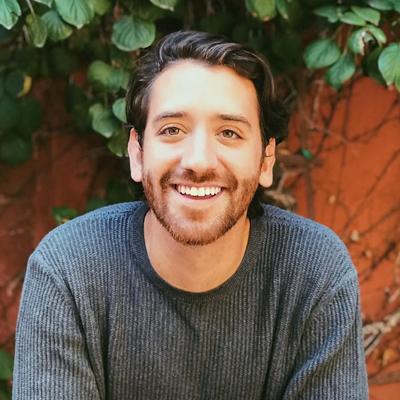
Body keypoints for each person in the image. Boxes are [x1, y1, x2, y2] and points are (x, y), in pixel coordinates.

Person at [13, 31, 368, 399]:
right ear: (137, 154)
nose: (198, 161)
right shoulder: (69, 270)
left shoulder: (314, 271)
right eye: (172, 130)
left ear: (266, 160)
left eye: (229, 132)